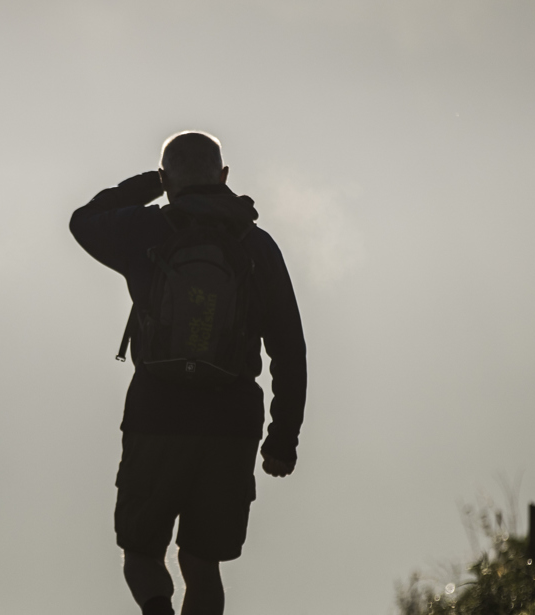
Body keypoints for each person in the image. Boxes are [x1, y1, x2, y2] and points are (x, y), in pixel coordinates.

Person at [70, 132, 307, 615]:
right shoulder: (258, 245)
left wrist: (148, 187)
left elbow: (82, 221)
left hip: (157, 412)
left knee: (141, 552)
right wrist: (283, 437)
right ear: (223, 177)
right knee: (202, 564)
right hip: (233, 421)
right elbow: (289, 348)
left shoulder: (145, 230)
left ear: (166, 179)